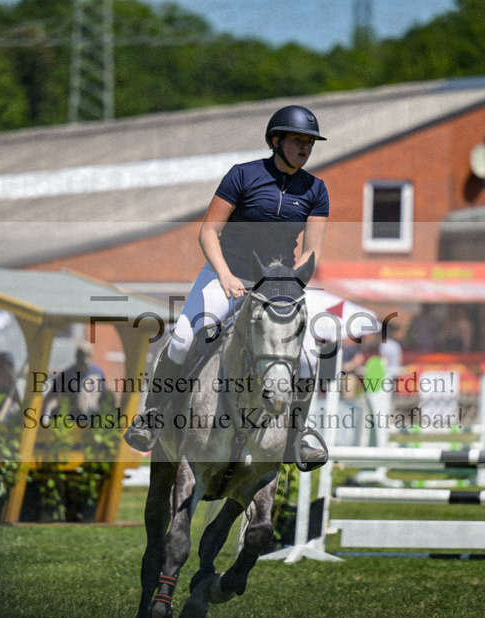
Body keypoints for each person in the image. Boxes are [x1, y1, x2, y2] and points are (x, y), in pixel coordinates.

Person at [123, 105, 330, 470]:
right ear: (276, 140)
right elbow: (208, 231)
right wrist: (224, 275)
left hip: (277, 286)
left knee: (310, 354)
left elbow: (312, 252)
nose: (305, 148)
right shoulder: (243, 176)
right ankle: (152, 417)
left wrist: (286, 287)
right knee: (186, 338)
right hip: (227, 273)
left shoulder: (316, 189)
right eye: (298, 140)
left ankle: (297, 439)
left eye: (310, 142)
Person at [44, 342, 107, 417]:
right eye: (81, 364)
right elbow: (50, 396)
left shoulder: (98, 373)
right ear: (77, 359)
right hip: (70, 419)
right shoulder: (67, 374)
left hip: (90, 419)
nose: (83, 367)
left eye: (85, 364)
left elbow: (103, 397)